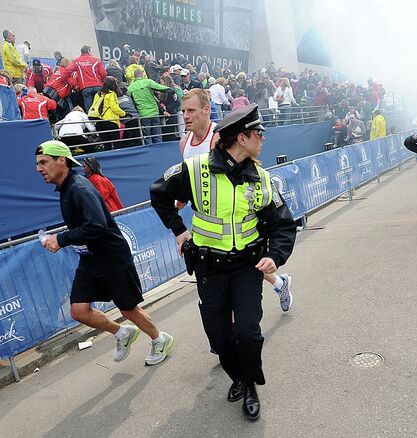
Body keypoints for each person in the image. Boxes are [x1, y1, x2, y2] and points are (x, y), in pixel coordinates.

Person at [150, 104, 297, 421]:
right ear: (242, 139)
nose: (263, 139)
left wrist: (274, 255)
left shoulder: (261, 179)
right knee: (219, 338)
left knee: (248, 331)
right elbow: (159, 193)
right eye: (259, 133)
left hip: (247, 267)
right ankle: (240, 377)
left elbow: (283, 224)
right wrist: (179, 231)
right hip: (209, 269)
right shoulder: (195, 169)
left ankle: (251, 384)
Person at [35, 140, 174, 366]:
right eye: (37, 164)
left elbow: (97, 225)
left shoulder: (79, 188)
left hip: (112, 259)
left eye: (43, 162)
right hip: (90, 260)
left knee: (129, 310)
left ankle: (160, 339)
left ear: (61, 160)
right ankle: (121, 333)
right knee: (78, 311)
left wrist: (60, 239)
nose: (39, 168)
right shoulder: (66, 187)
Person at [179, 91, 295, 309]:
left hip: (238, 215)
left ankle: (276, 286)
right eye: (183, 111)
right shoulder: (184, 142)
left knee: (246, 268)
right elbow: (190, 180)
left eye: (191, 110)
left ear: (206, 110)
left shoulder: (219, 138)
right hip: (210, 225)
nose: (185, 116)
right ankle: (280, 283)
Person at [127, 69, 173, 144]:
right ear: (142, 74)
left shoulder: (130, 88)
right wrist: (172, 89)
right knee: (157, 135)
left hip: (143, 114)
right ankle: (159, 150)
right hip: (154, 112)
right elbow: (161, 88)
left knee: (147, 136)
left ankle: (150, 153)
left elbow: (131, 102)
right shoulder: (148, 82)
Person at [61, 45, 107, 112]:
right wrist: (102, 82)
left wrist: (67, 80)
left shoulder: (77, 61)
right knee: (100, 108)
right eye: (91, 51)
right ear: (88, 51)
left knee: (89, 110)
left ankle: (91, 121)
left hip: (85, 88)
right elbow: (103, 73)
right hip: (98, 86)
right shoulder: (97, 60)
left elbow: (67, 71)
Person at [88, 76, 125, 150]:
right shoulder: (112, 94)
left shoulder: (98, 94)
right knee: (116, 144)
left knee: (106, 145)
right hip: (110, 121)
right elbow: (114, 108)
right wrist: (124, 114)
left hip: (99, 122)